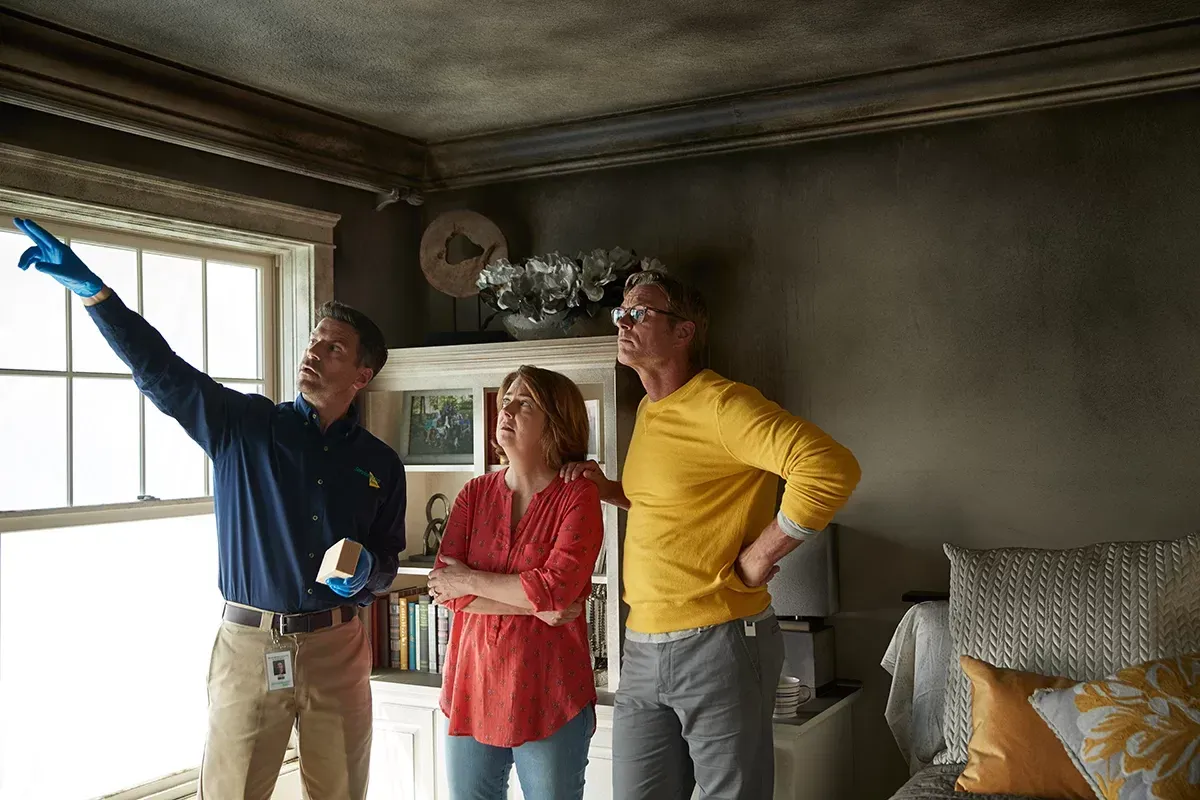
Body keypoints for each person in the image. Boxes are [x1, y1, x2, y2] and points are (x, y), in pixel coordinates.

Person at [11, 218, 405, 800]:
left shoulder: (380, 463)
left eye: (334, 347)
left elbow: (390, 560)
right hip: (250, 649)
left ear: (361, 375)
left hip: (339, 650)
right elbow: (161, 371)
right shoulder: (242, 426)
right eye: (314, 340)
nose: (314, 352)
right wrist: (96, 295)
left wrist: (367, 574)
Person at [561, 269, 862, 800]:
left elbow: (830, 467)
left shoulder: (723, 405)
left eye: (640, 313)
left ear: (684, 332)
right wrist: (615, 491)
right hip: (641, 646)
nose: (623, 323)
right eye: (621, 313)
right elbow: (685, 498)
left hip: (718, 641)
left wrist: (758, 557)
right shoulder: (652, 412)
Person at [427, 365, 603, 800]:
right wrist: (536, 604)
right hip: (472, 683)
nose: (507, 409)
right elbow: (444, 591)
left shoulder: (578, 496)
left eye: (525, 402)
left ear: (556, 421)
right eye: (506, 400)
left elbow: (557, 588)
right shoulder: (473, 493)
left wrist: (469, 581)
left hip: (551, 691)